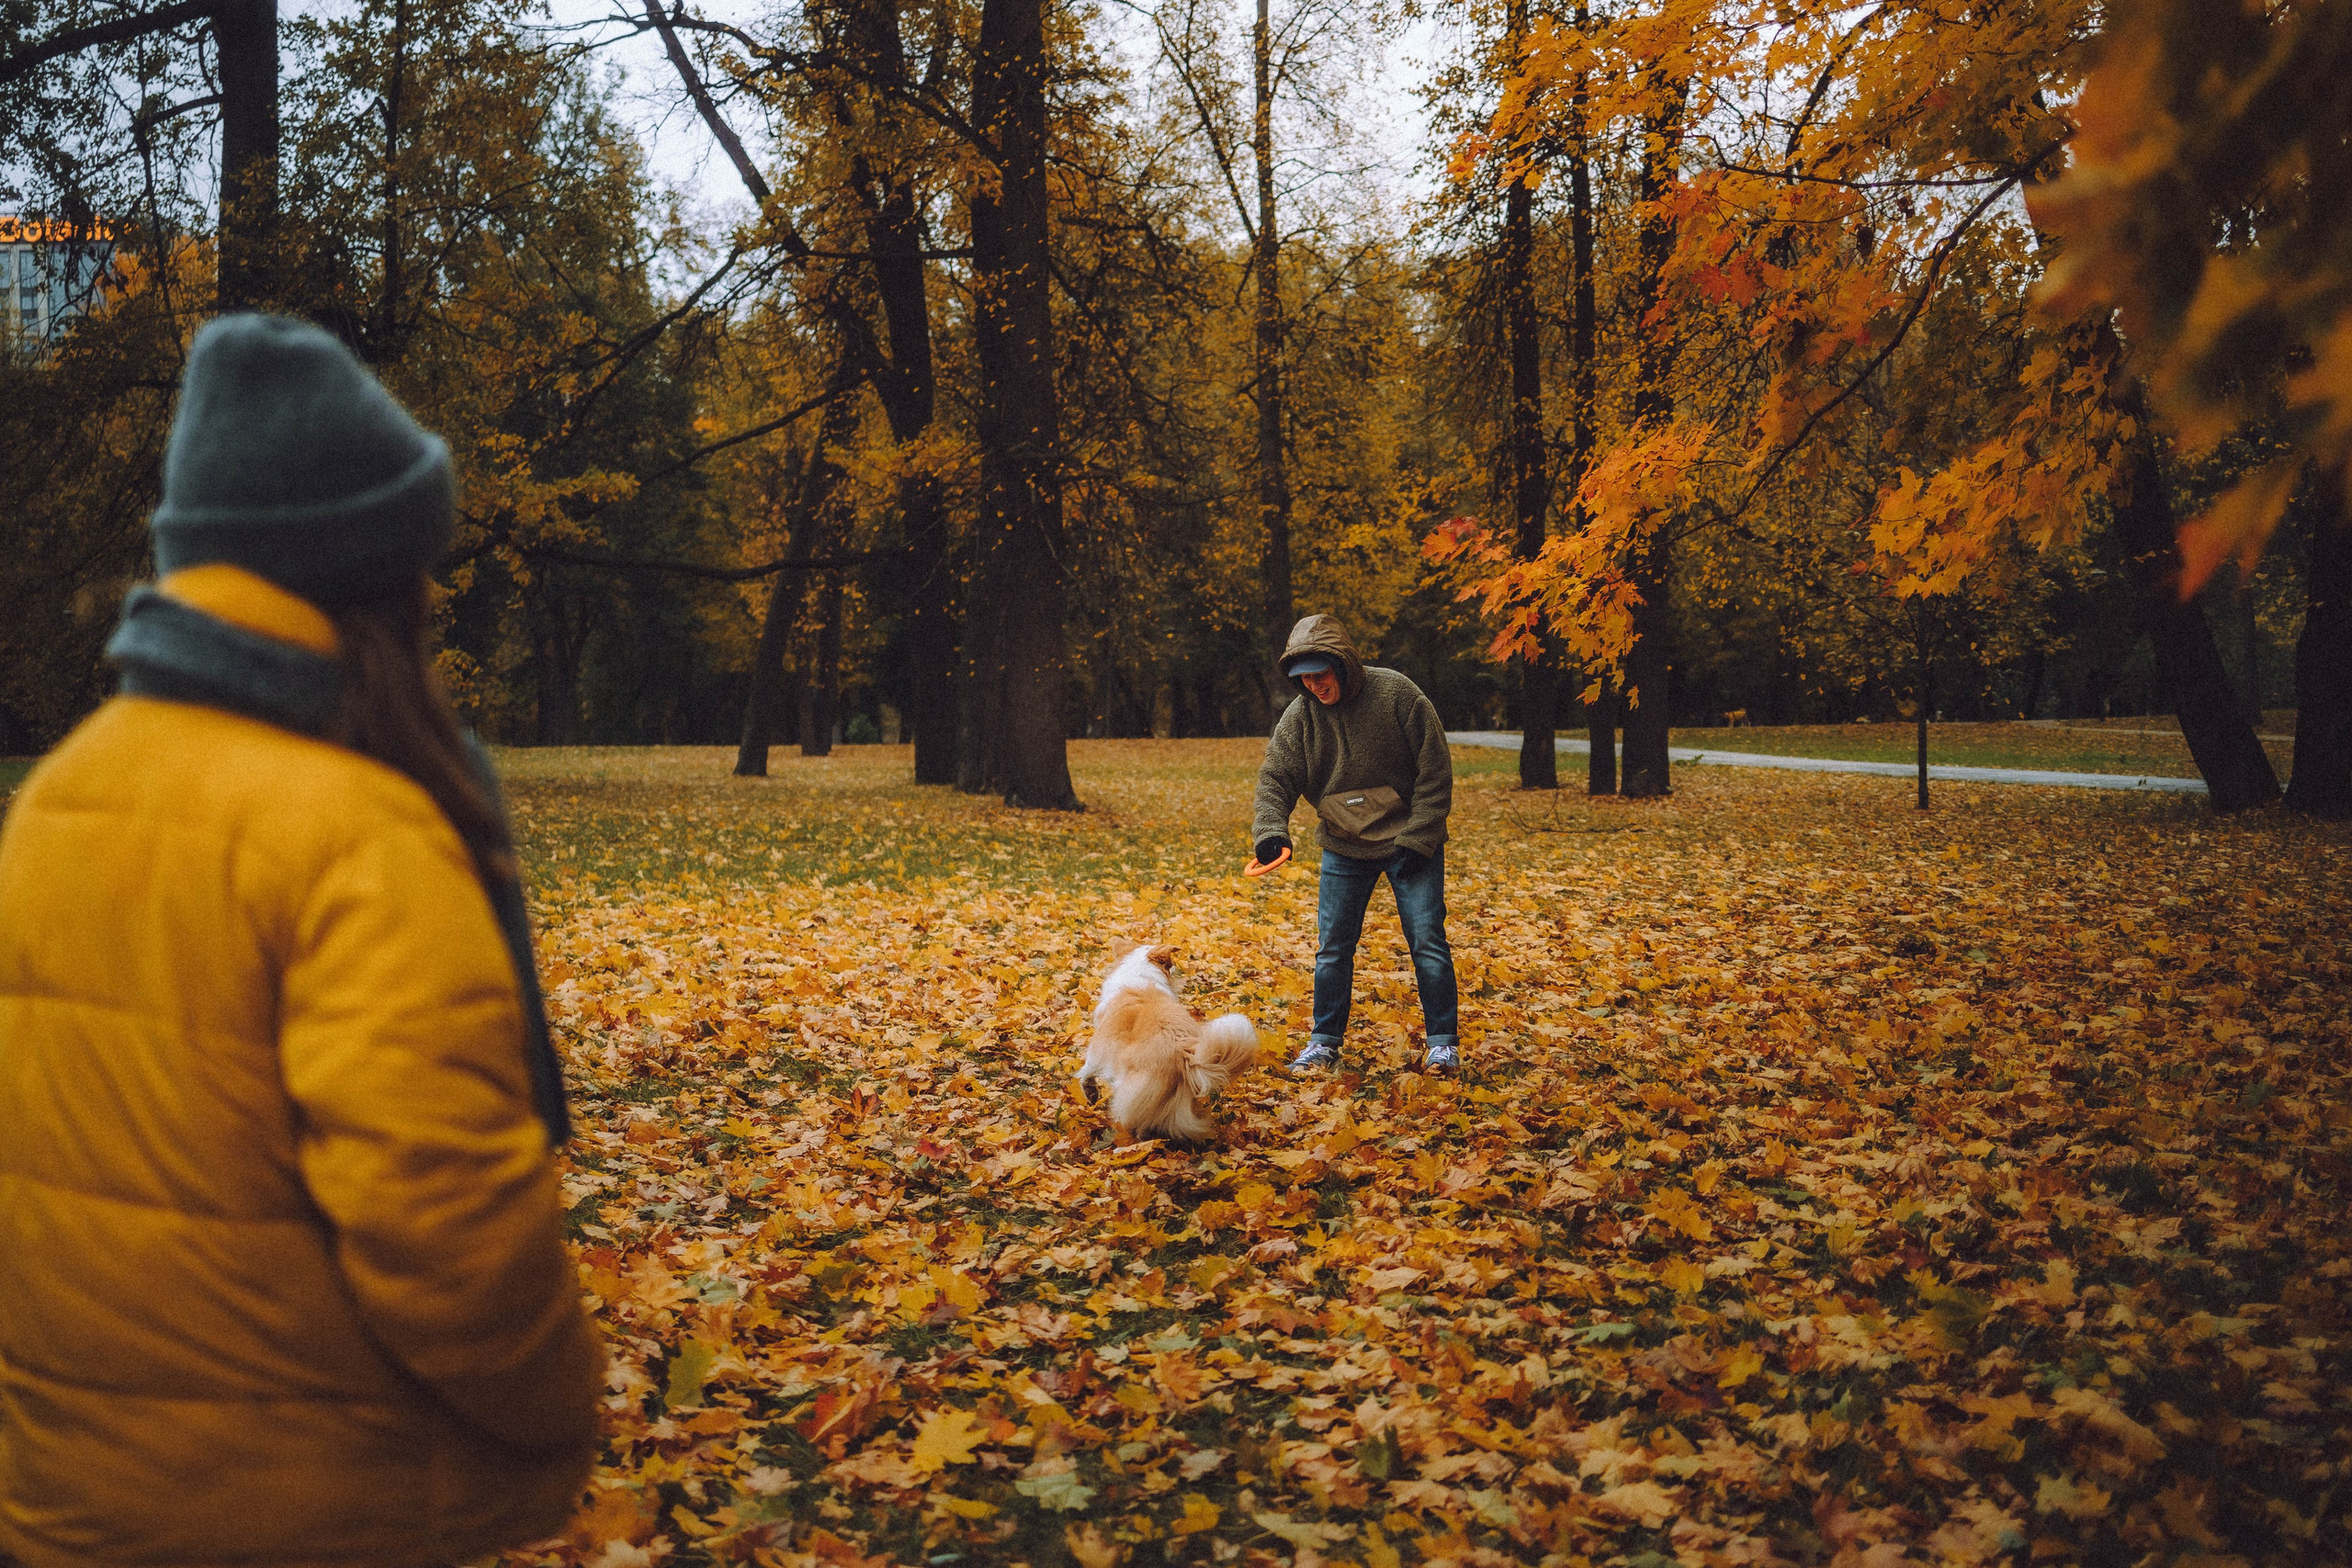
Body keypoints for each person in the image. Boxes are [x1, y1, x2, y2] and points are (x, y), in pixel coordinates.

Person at [0, 315, 604, 1568]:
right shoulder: (360, 828)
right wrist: (563, 1398)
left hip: (68, 1495)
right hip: (316, 1505)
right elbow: (443, 1219)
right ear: (377, 574)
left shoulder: (54, 794)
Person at [1250, 614, 1460, 1074]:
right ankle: (1324, 1043)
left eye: (1320, 675)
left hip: (1410, 841)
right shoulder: (1301, 717)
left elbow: (1435, 771)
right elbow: (1276, 777)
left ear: (1343, 664)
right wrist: (1270, 832)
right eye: (1303, 679)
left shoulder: (1397, 695)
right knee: (1333, 947)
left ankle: (1443, 1044)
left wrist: (1419, 836)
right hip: (1345, 844)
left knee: (1426, 939)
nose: (1314, 686)